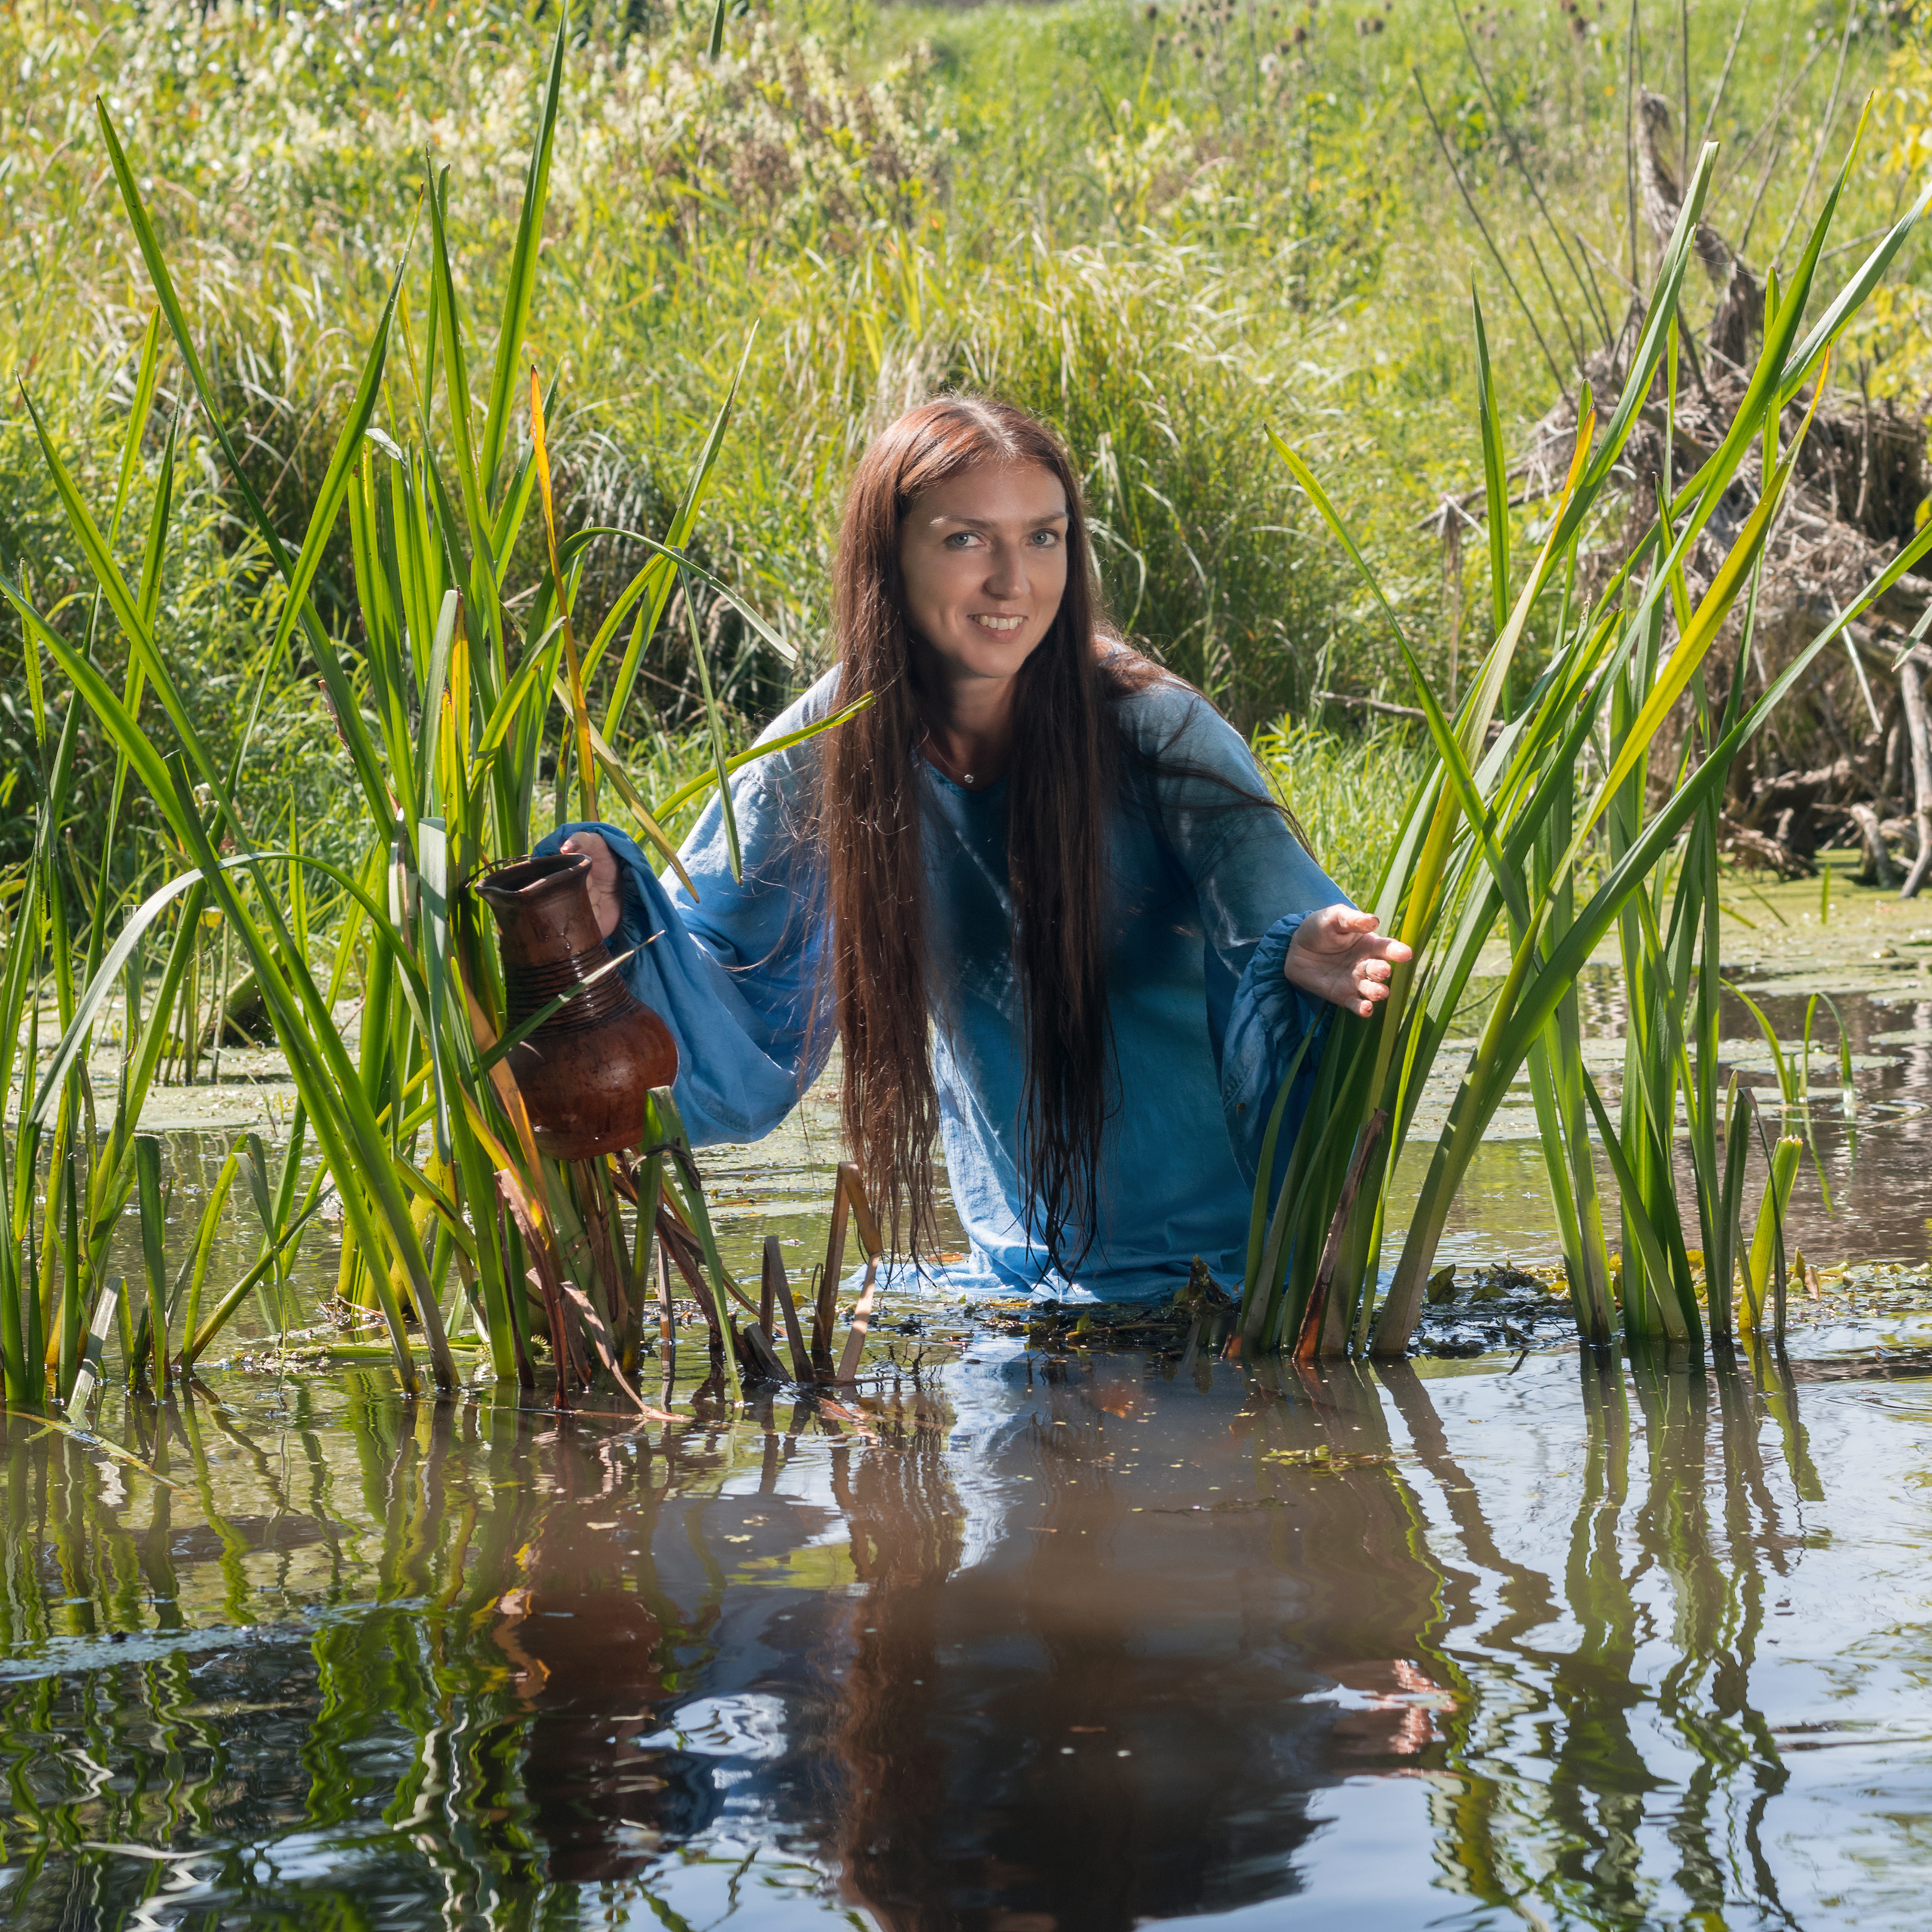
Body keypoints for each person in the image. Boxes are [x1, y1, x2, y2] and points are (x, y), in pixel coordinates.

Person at [540, 396, 1408, 1303]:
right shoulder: (834, 742)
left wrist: (1301, 954)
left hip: (1249, 1283)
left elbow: (1280, 917)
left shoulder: (1156, 726)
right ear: (889, 557)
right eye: (966, 540)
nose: (1014, 581)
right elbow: (722, 972)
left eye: (1044, 538)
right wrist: (607, 915)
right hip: (1024, 1278)